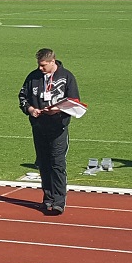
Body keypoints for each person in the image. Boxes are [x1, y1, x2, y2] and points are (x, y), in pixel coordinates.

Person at [18, 48, 80, 216]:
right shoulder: (33, 77)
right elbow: (22, 97)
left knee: (57, 164)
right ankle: (48, 198)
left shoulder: (67, 77)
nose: (40, 68)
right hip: (39, 127)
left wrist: (58, 111)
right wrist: (30, 109)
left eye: (43, 65)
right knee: (43, 164)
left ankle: (59, 201)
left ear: (53, 61)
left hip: (58, 128)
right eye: (38, 65)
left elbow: (75, 102)